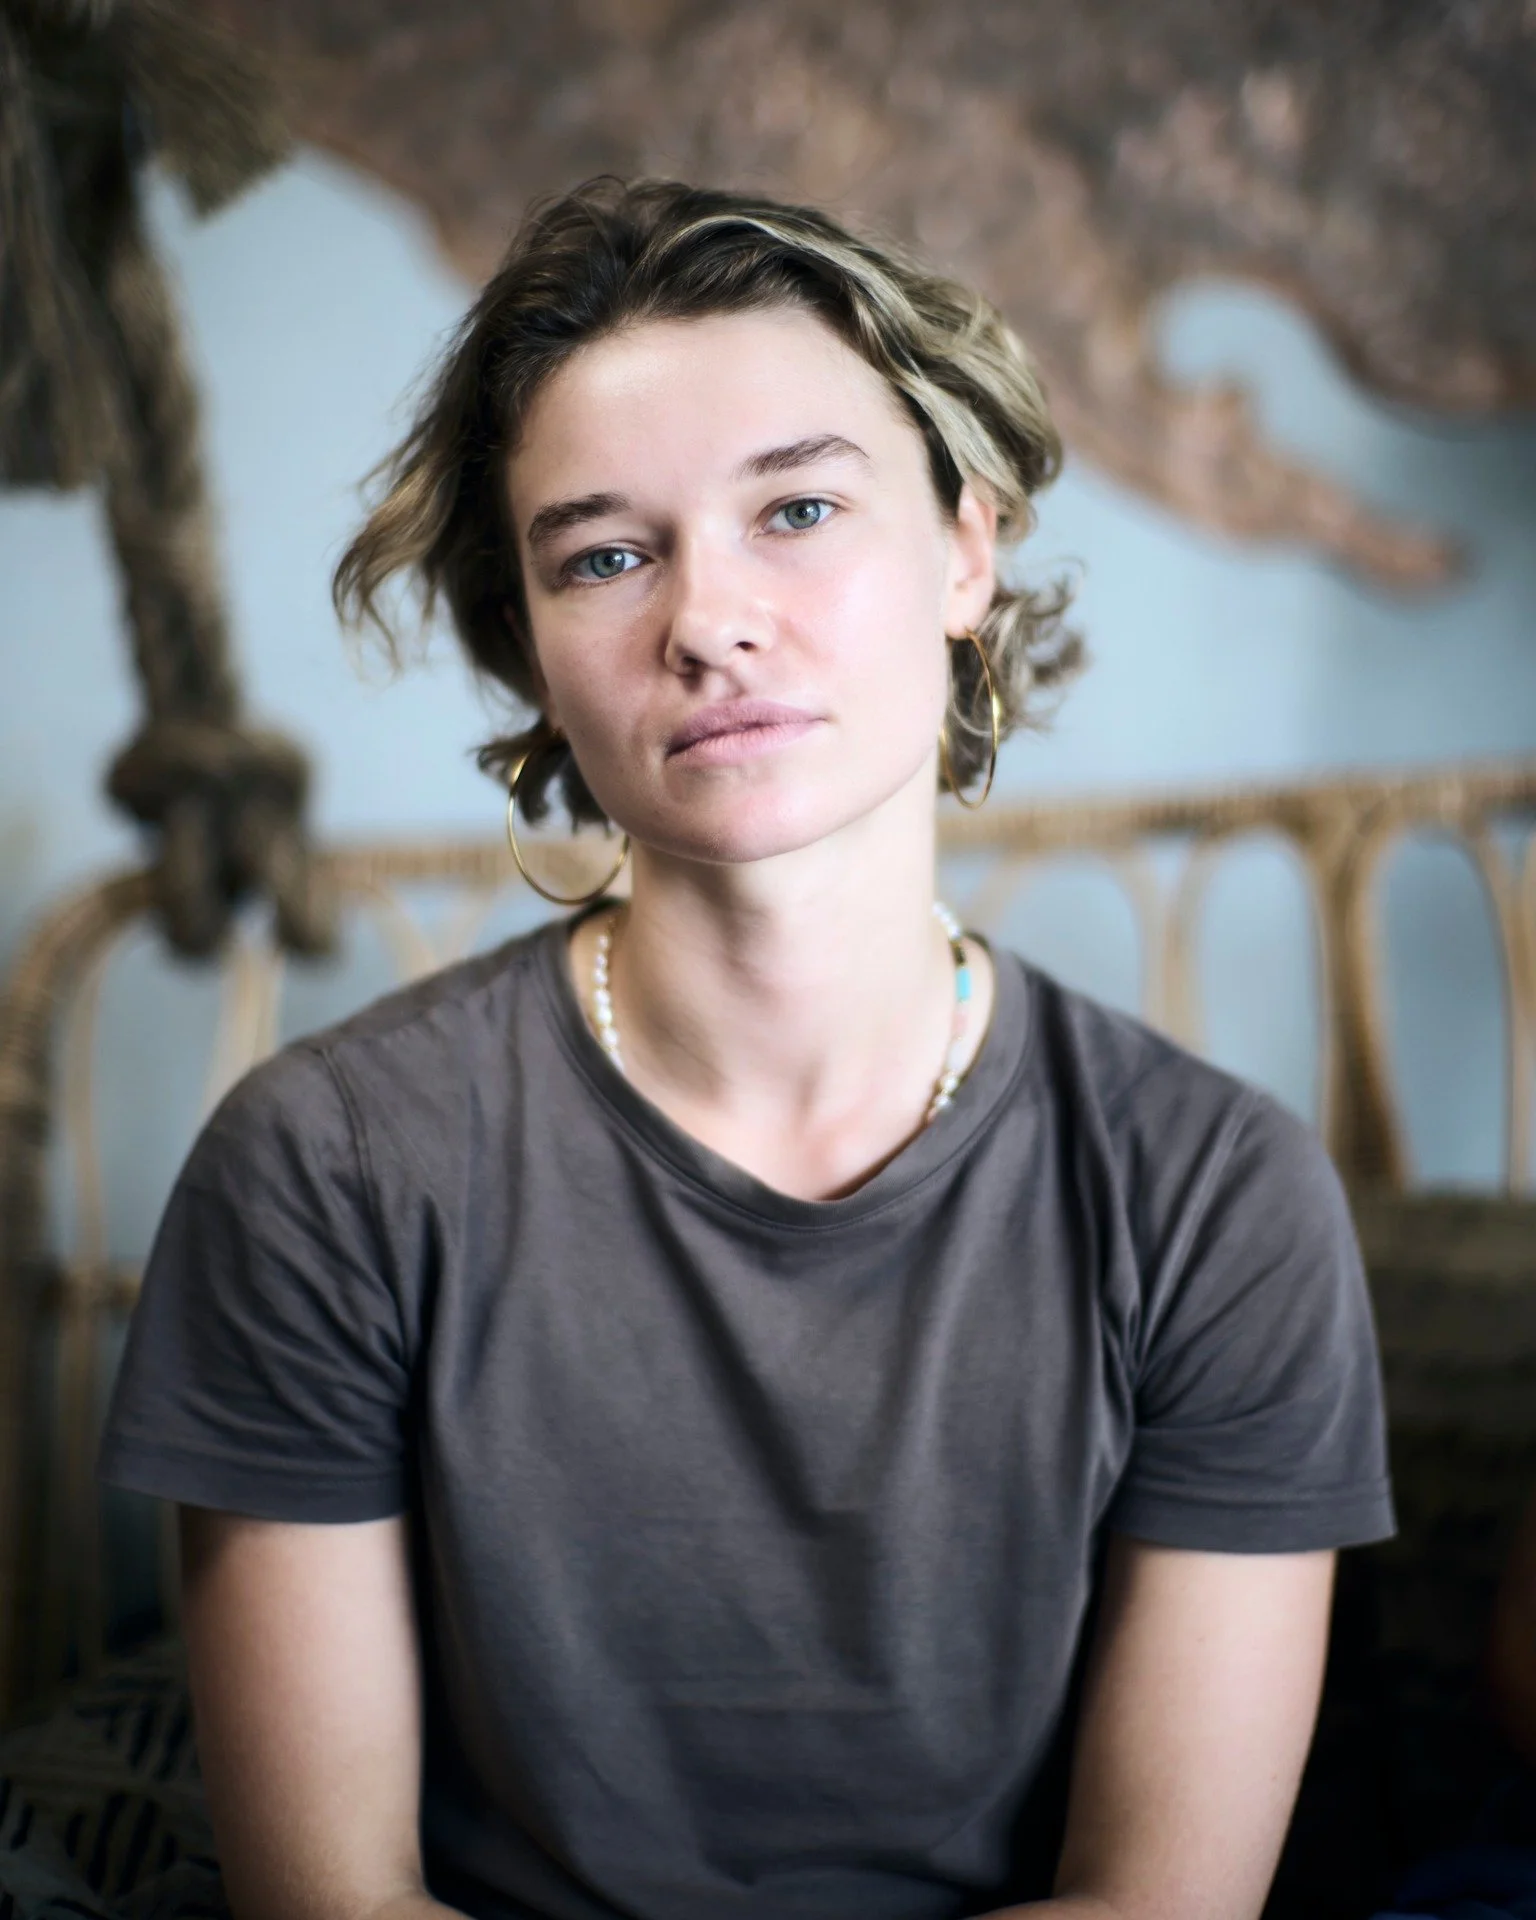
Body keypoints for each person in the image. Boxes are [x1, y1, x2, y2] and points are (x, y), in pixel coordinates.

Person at [99, 177, 1395, 1920]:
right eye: (606, 555)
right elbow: (333, 1905)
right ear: (536, 655)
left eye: (796, 508)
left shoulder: (1220, 1198)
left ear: (965, 546)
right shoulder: (329, 1169)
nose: (707, 619)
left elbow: (1160, 1905)